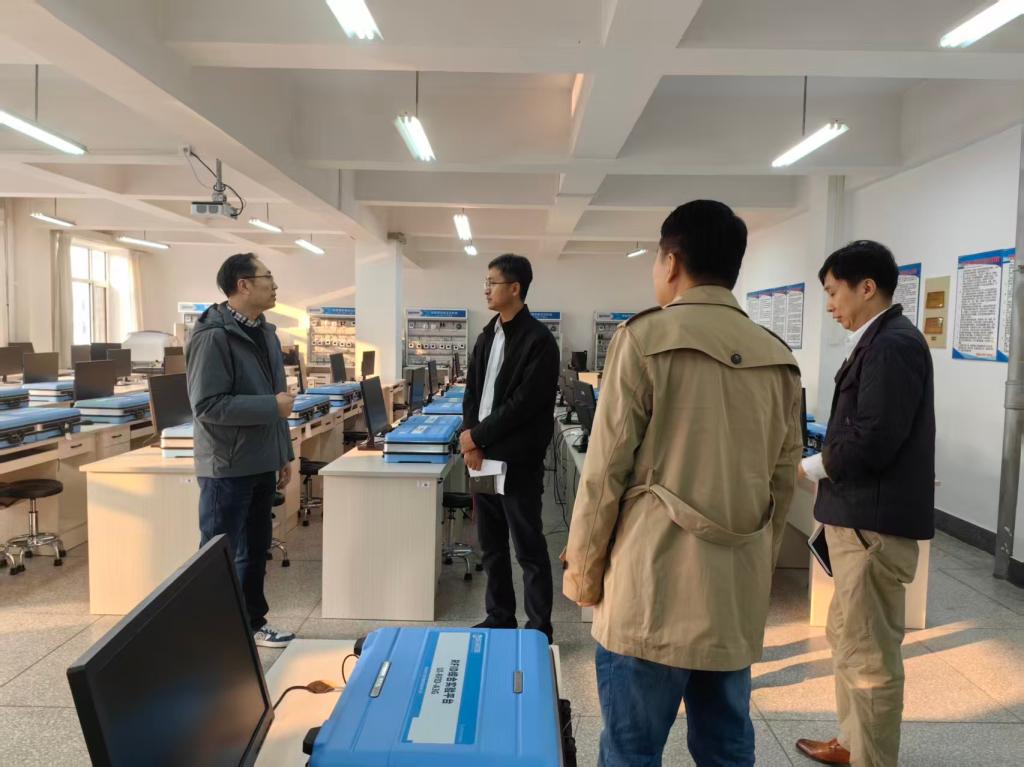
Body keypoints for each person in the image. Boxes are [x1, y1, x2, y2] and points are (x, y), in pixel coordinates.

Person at [562, 200, 803, 767]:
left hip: (650, 591)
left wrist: (584, 575)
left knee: (631, 750)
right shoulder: (777, 356)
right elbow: (782, 482)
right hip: (731, 595)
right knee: (726, 751)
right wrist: (754, 574)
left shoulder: (644, 338)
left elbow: (605, 472)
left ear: (671, 263)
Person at [795, 241, 935, 767]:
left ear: (867, 287)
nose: (831, 305)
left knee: (870, 655)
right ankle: (853, 743)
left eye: (834, 292)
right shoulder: (877, 340)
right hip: (856, 518)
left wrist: (812, 467)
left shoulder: (893, 345)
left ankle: (872, 759)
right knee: (849, 637)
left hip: (872, 526)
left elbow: (874, 437)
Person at [186, 253, 297, 649]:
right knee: (218, 555)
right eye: (268, 276)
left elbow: (277, 398)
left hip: (262, 459)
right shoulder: (212, 336)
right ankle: (207, 636)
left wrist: (283, 453)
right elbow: (208, 406)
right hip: (227, 466)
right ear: (243, 284)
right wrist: (272, 408)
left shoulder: (266, 333)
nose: (275, 285)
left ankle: (252, 624)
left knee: (254, 550)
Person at [459, 254, 560, 643]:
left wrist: (477, 437)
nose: (486, 290)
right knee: (491, 545)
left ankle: (539, 628)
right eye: (485, 283)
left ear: (515, 288)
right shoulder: (488, 335)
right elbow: (472, 392)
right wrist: (470, 437)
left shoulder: (539, 341)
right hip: (482, 460)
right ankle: (499, 616)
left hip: (516, 462)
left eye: (493, 282)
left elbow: (522, 405)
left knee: (528, 548)